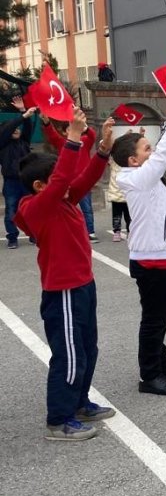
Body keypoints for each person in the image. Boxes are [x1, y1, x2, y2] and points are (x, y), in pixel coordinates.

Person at [14, 111, 115, 440]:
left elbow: (83, 179)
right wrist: (72, 138)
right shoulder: (35, 207)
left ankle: (80, 402)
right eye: (57, 177)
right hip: (64, 291)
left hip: (84, 285)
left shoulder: (66, 200)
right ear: (41, 185)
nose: (65, 180)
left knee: (88, 349)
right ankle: (59, 419)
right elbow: (63, 181)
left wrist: (101, 150)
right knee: (69, 354)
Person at [113, 102, 166, 395]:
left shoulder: (144, 174)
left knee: (158, 316)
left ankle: (160, 362)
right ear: (133, 160)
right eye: (145, 149)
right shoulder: (136, 178)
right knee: (153, 319)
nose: (152, 152)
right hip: (151, 259)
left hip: (159, 256)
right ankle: (149, 375)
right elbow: (164, 154)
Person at [41, 113, 98, 241]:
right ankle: (64, 230)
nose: (72, 130)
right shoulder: (62, 142)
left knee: (87, 208)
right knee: (63, 209)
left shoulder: (84, 141)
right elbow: (52, 135)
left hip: (82, 182)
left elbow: (92, 136)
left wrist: (85, 127)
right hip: (66, 183)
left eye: (74, 127)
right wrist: (46, 122)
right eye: (69, 128)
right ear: (65, 132)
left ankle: (90, 232)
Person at [0, 98, 35, 249]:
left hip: (26, 181)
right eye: (13, 129)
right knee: (11, 211)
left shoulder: (24, 141)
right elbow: (7, 129)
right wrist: (21, 117)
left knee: (31, 210)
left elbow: (28, 127)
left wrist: (23, 112)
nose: (16, 130)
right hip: (11, 182)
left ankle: (34, 235)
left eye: (17, 128)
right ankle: (12, 238)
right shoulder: (3, 143)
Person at [106, 160, 131, 242]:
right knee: (124, 215)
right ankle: (122, 232)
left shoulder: (116, 162)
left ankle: (124, 231)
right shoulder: (115, 162)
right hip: (120, 193)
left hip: (121, 193)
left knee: (122, 215)